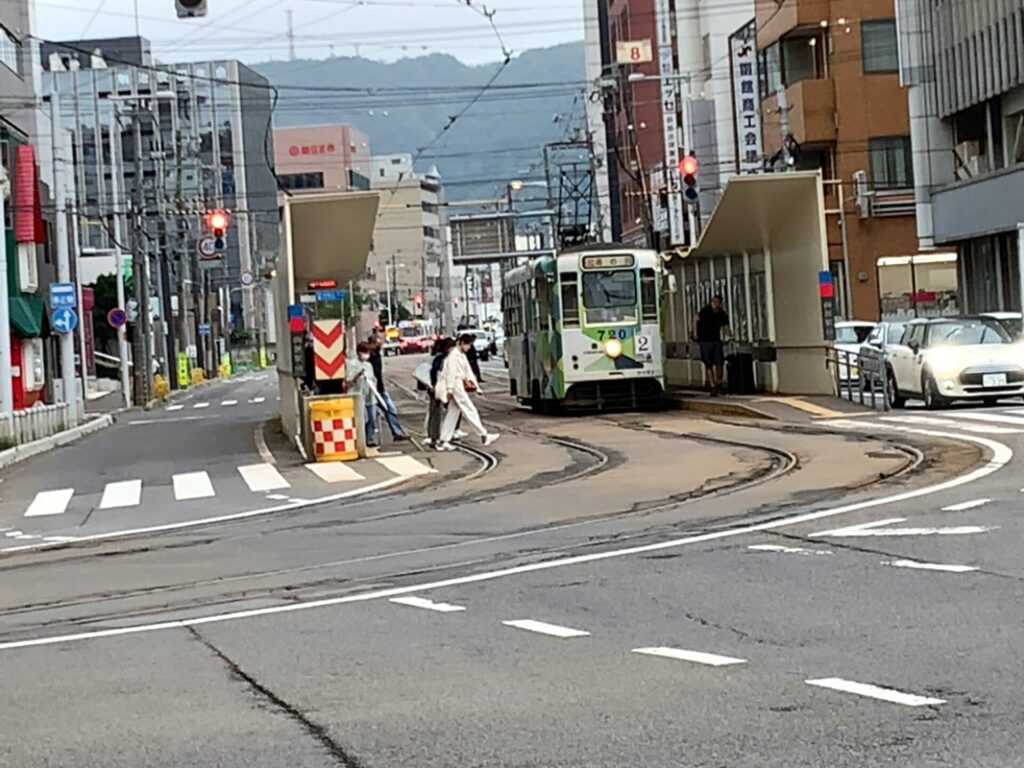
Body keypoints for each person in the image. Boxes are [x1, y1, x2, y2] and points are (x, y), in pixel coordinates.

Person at [434, 334, 500, 451]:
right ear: (462, 343)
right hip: (455, 385)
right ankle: (484, 434)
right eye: (468, 344)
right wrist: (450, 389)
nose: (469, 347)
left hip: (456, 384)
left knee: (453, 412)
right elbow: (451, 374)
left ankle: (443, 440)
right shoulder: (454, 355)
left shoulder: (460, 355)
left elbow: (468, 372)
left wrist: (476, 387)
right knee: (469, 409)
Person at [368, 335, 409, 442]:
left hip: (380, 388)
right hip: (371, 389)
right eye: (378, 342)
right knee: (371, 415)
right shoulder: (369, 357)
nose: (380, 345)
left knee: (390, 409)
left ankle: (397, 432)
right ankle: (369, 438)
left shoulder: (377, 355)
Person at [691, 294, 730, 396]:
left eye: (717, 302)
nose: (714, 304)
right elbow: (696, 318)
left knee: (719, 363)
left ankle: (719, 383)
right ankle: (712, 385)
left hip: (716, 340)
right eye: (713, 301)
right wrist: (695, 333)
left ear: (720, 304)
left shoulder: (721, 314)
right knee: (708, 364)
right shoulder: (705, 311)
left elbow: (725, 326)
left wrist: (728, 335)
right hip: (704, 340)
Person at [346, 341, 379, 447]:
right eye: (364, 352)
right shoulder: (352, 364)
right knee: (363, 418)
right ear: (359, 352)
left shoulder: (368, 365)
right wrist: (358, 375)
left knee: (372, 417)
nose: (366, 355)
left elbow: (373, 378)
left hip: (369, 394)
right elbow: (349, 381)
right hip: (357, 394)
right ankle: (361, 439)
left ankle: (369, 439)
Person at [423, 337, 454, 446]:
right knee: (440, 412)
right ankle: (438, 436)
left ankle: (435, 436)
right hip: (441, 388)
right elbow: (435, 373)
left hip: (438, 388)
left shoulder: (439, 359)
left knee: (436, 413)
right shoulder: (443, 360)